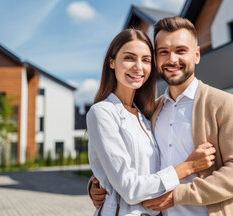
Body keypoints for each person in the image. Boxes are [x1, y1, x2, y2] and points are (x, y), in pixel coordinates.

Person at [90, 17, 233, 216]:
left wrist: (179, 195)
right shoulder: (153, 110)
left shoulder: (224, 104)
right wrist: (102, 182)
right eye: (163, 52)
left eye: (180, 51)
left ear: (196, 55)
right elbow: (136, 163)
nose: (172, 60)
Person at [86, 28, 216, 216]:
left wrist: (98, 179)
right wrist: (188, 166)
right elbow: (130, 190)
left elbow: (145, 167)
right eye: (129, 58)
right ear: (112, 62)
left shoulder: (147, 114)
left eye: (146, 60)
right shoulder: (102, 112)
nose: (139, 67)